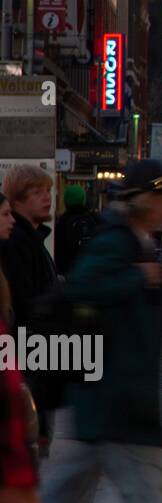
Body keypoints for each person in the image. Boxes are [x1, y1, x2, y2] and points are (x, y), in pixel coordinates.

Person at [38, 160, 162, 503]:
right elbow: (80, 288)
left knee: (56, 502)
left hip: (112, 404)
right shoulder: (116, 241)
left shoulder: (138, 241)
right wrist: (134, 277)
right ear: (146, 200)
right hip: (119, 404)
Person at [0, 166, 57, 456]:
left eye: (47, 191)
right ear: (18, 200)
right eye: (37, 193)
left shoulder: (33, 240)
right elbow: (25, 304)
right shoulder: (17, 243)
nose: (47, 198)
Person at [53, 185, 100, 276]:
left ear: (65, 202)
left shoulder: (61, 223)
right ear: (84, 200)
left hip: (68, 273)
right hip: (90, 272)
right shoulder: (94, 220)